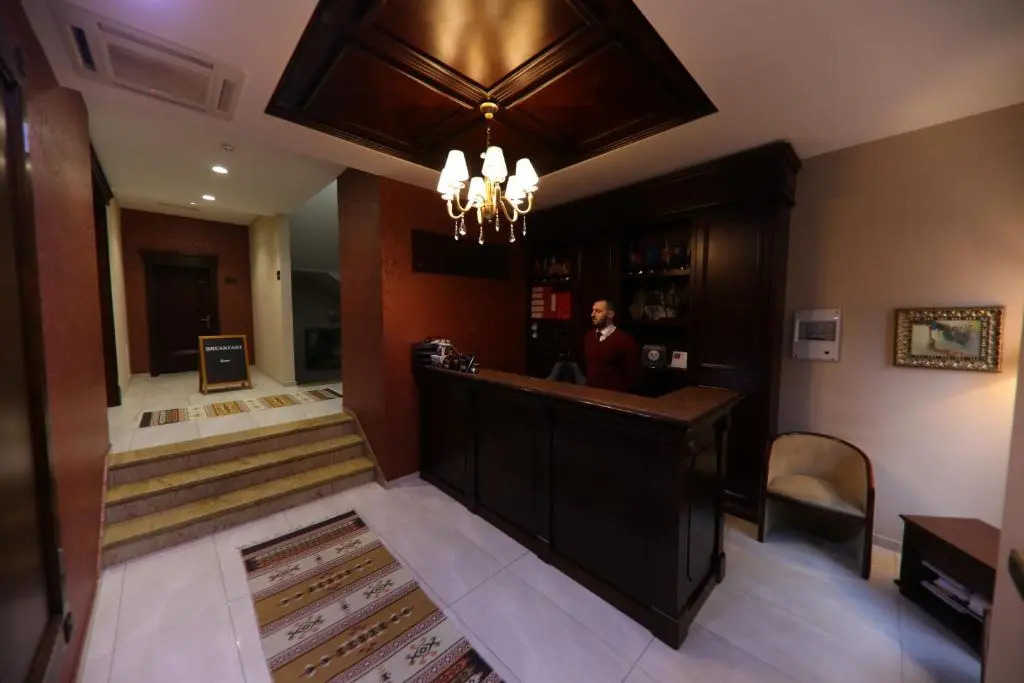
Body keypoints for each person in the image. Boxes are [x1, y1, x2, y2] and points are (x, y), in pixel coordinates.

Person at [583, 299, 640, 392]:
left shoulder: (624, 340)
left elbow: (634, 374)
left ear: (610, 314)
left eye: (598, 311)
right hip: (590, 394)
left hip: (613, 396)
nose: (592, 314)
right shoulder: (589, 336)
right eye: (592, 310)